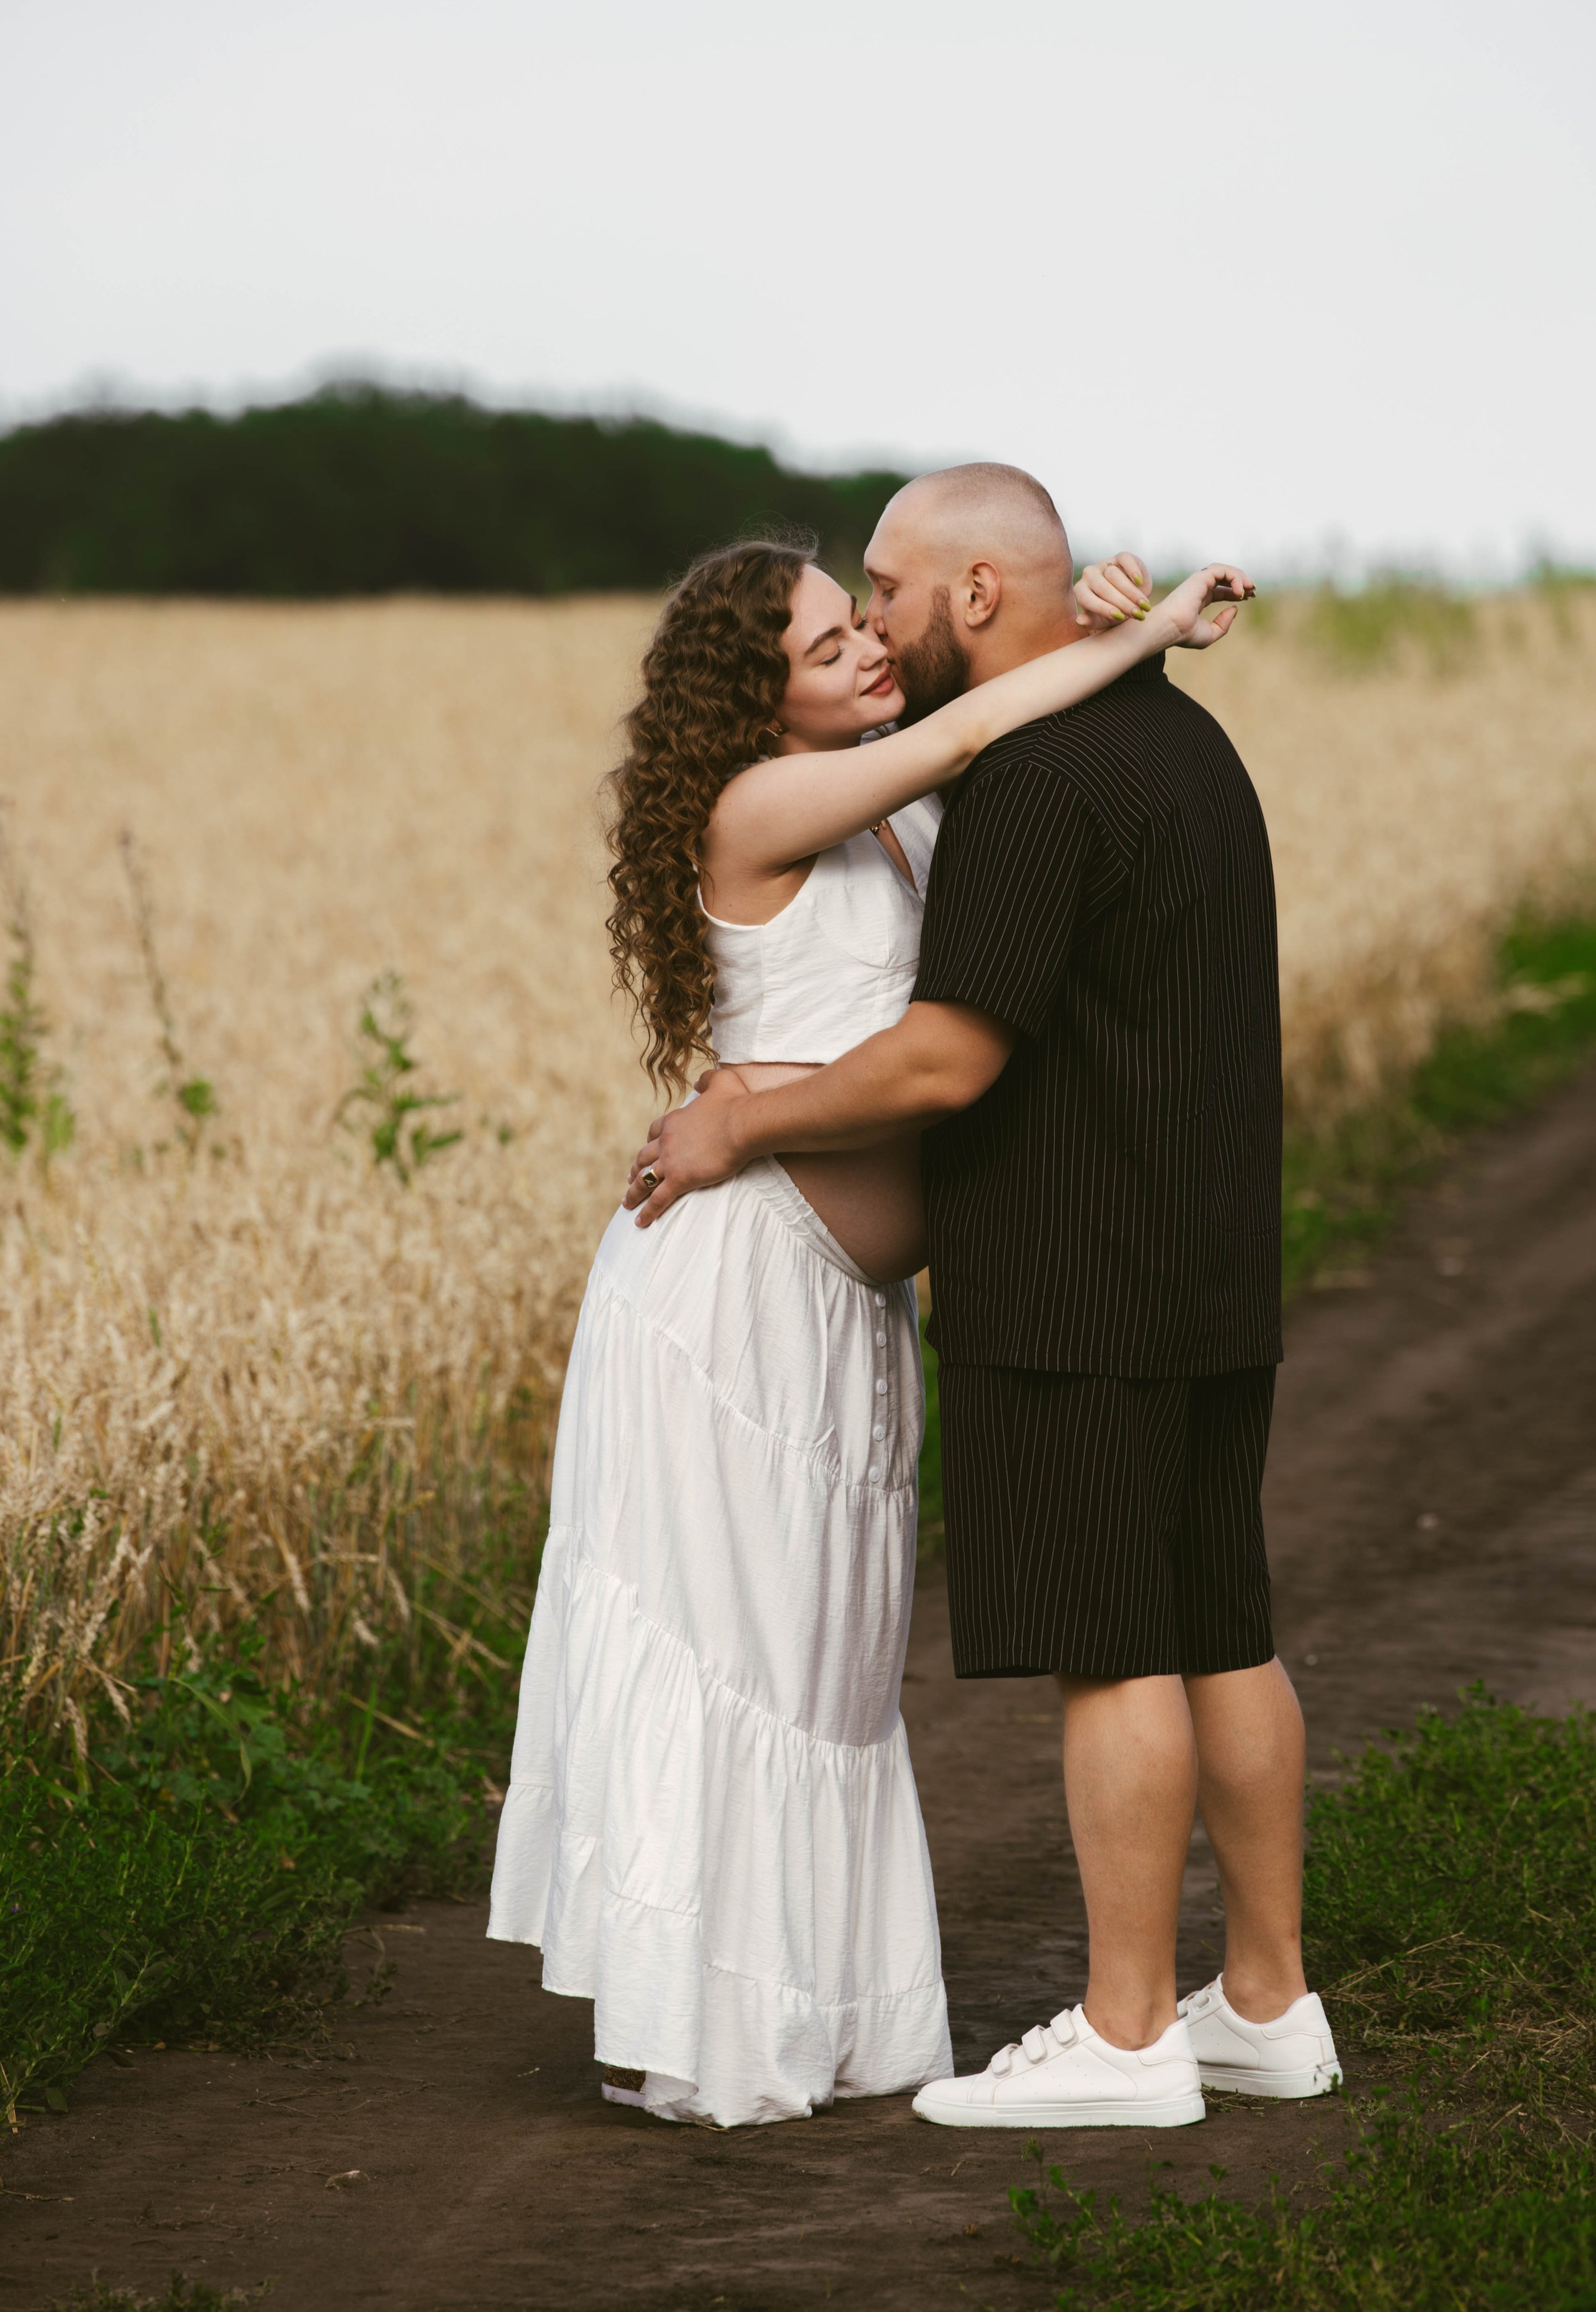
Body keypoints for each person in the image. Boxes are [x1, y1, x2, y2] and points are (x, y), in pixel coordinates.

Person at [489, 510, 1251, 2128]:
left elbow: (1005, 729)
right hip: (731, 1299)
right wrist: (1153, 625)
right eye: (828, 641)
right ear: (751, 698)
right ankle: (708, 2029)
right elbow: (986, 710)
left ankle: (826, 2012)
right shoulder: (767, 801)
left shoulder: (893, 815)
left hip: (841, 1317)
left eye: (865, 621)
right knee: (732, 1661)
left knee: (823, 1676)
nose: (870, 650)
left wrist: (1090, 609)